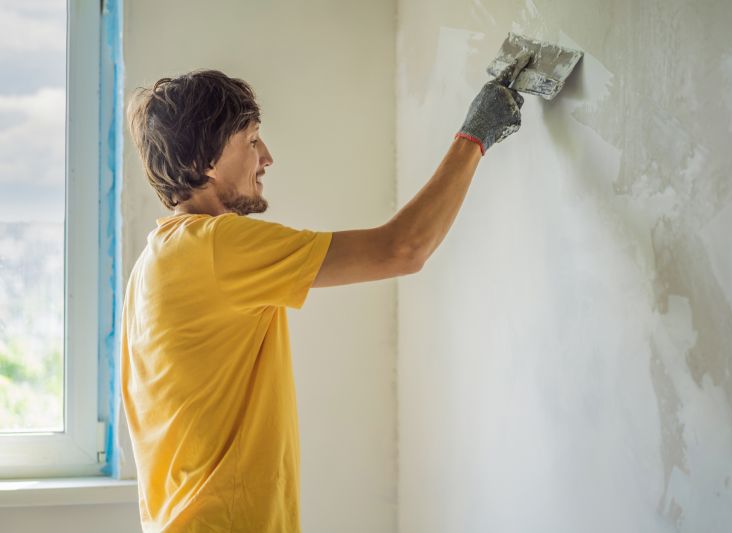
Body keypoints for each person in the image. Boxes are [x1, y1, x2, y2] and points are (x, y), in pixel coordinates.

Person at [122, 68, 523, 532]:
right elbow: (403, 248)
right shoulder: (215, 247)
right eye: (252, 141)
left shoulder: (155, 261)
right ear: (207, 158)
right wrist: (474, 135)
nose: (267, 157)